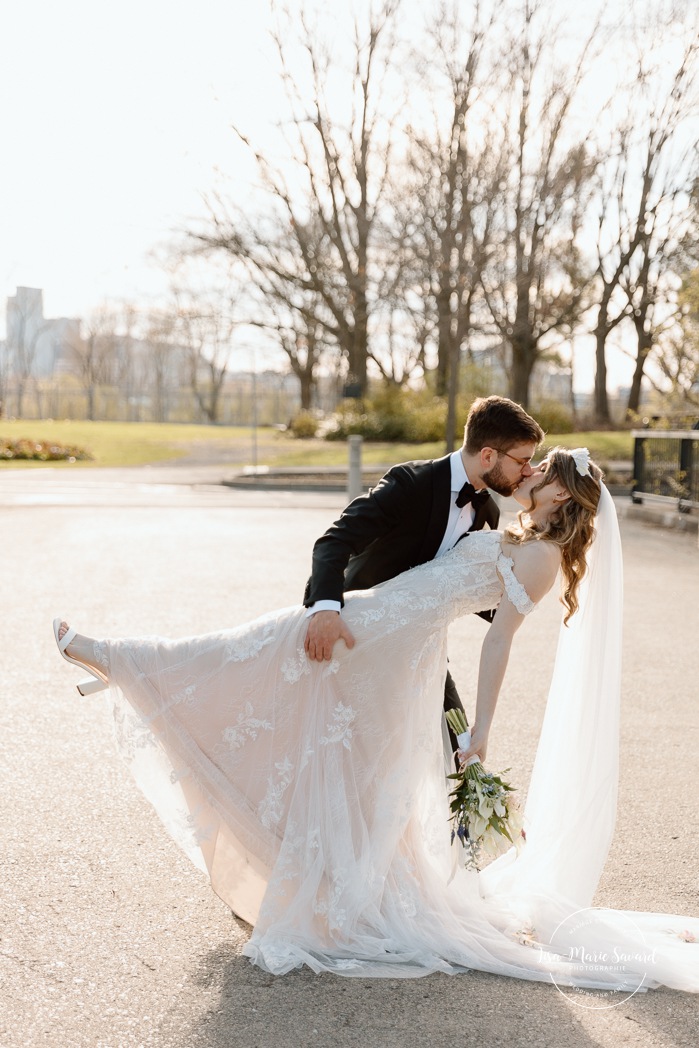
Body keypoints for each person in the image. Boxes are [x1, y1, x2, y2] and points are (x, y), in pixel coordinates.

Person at [53, 447, 699, 993]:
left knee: (265, 650)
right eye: (526, 461)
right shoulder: (519, 530)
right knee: (283, 687)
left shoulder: (541, 555)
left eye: (541, 470)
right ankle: (143, 678)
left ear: (563, 492)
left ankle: (119, 659)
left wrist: (480, 735)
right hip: (380, 625)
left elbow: (499, 640)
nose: (528, 473)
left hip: (387, 640)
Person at [303, 395, 544, 752]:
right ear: (489, 456)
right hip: (359, 633)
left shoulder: (488, 510)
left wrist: (523, 593)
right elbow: (334, 541)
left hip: (421, 644)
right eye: (523, 461)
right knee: (344, 753)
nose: (527, 471)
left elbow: (455, 586)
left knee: (462, 752)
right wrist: (324, 608)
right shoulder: (409, 483)